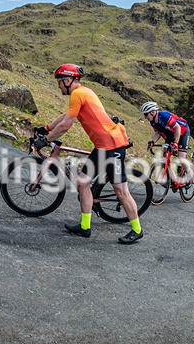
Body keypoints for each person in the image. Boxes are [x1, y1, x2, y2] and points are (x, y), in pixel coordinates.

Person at [39, 64, 143, 244]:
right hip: (102, 147)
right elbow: (66, 116)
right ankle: (85, 226)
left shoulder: (78, 94)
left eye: (59, 82)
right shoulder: (82, 93)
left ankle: (137, 229)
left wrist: (47, 140)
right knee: (83, 182)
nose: (58, 86)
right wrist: (47, 128)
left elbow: (66, 125)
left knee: (121, 191)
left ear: (68, 80)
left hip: (113, 146)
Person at [140, 101, 190, 174]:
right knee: (165, 155)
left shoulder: (164, 116)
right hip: (171, 135)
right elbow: (158, 133)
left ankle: (189, 174)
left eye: (145, 114)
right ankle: (172, 178)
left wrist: (175, 144)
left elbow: (177, 128)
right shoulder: (152, 121)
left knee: (181, 157)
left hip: (183, 131)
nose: (145, 117)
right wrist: (152, 142)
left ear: (152, 112)